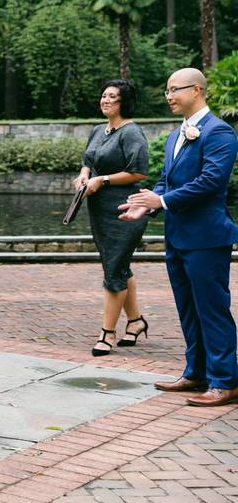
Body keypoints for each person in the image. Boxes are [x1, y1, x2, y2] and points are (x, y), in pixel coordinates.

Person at [120, 68, 238, 407]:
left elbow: (211, 181)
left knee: (212, 309)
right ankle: (196, 372)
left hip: (207, 237)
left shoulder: (219, 132)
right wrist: (147, 205)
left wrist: (163, 200)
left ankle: (226, 381)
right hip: (178, 236)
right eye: (167, 90)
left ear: (197, 90)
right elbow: (165, 181)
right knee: (188, 309)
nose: (169, 96)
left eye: (175, 90)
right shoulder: (175, 135)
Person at [73, 80, 150, 357]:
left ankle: (107, 333)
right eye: (104, 95)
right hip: (99, 210)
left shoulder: (131, 133)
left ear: (124, 103)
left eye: (113, 97)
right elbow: (89, 160)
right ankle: (136, 321)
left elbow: (139, 172)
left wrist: (102, 180)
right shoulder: (98, 129)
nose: (106, 100)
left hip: (125, 210)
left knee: (114, 267)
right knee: (116, 265)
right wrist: (84, 175)